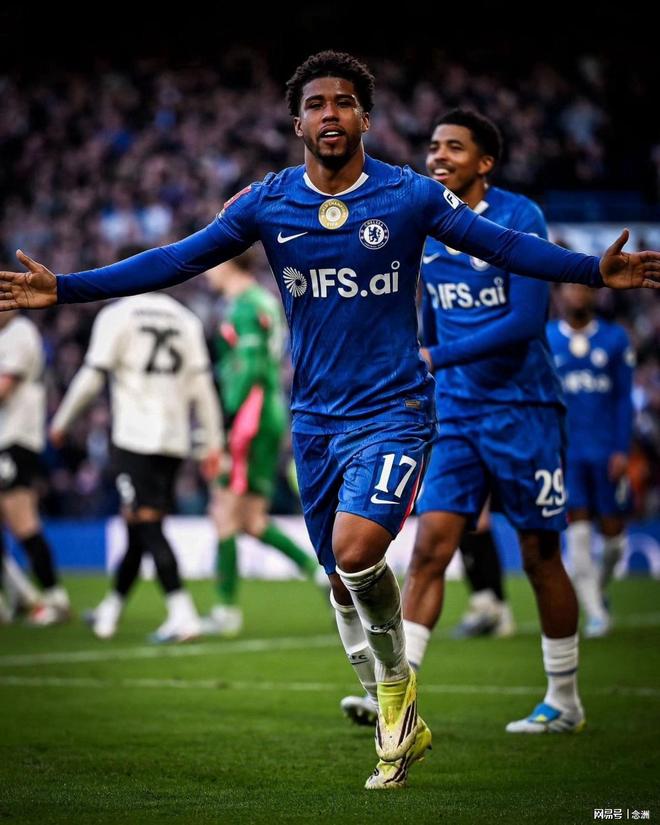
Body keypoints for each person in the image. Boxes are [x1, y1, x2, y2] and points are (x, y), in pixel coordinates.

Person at [0, 52, 657, 789]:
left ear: (365, 118)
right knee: (343, 582)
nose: (330, 114)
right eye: (316, 104)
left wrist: (591, 271)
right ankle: (397, 706)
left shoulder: (409, 195)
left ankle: (400, 693)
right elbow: (176, 260)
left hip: (396, 409)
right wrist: (66, 288)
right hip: (315, 420)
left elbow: (504, 245)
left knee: (357, 548)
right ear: (298, 123)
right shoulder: (268, 202)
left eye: (344, 102)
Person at [343, 108, 580, 735]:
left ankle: (564, 699)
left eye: (454, 147)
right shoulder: (428, 227)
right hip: (456, 414)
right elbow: (427, 322)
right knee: (429, 551)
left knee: (540, 555)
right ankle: (396, 694)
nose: (438, 156)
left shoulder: (519, 218)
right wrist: (415, 364)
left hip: (524, 411)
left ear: (485, 162)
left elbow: (525, 322)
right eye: (433, 146)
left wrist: (434, 358)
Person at [50, 281, 223, 642]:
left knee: (147, 524)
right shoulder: (185, 318)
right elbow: (202, 387)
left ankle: (183, 614)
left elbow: (92, 376)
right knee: (138, 526)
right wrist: (212, 442)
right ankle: (111, 609)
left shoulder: (117, 314)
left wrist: (62, 421)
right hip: (174, 441)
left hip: (134, 438)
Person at [202, 254, 318, 637]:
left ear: (227, 264)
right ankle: (318, 573)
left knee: (223, 512)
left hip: (248, 418)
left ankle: (225, 610)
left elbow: (248, 369)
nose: (208, 271)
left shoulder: (246, 306)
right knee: (252, 521)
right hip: (268, 413)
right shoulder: (264, 301)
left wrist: (226, 421)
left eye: (213, 263)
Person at [547, 283, 634, 637]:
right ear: (560, 296)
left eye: (583, 288)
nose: (576, 295)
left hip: (606, 452)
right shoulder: (548, 338)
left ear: (595, 294)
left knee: (614, 540)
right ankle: (596, 613)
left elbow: (624, 398)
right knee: (578, 533)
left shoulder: (615, 339)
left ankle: (596, 589)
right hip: (568, 453)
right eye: (570, 289)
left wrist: (622, 449)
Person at [0, 310, 71, 625]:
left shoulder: (20, 332)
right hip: (6, 438)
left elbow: (4, 387)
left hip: (15, 438)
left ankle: (54, 597)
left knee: (22, 518)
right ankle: (18, 594)